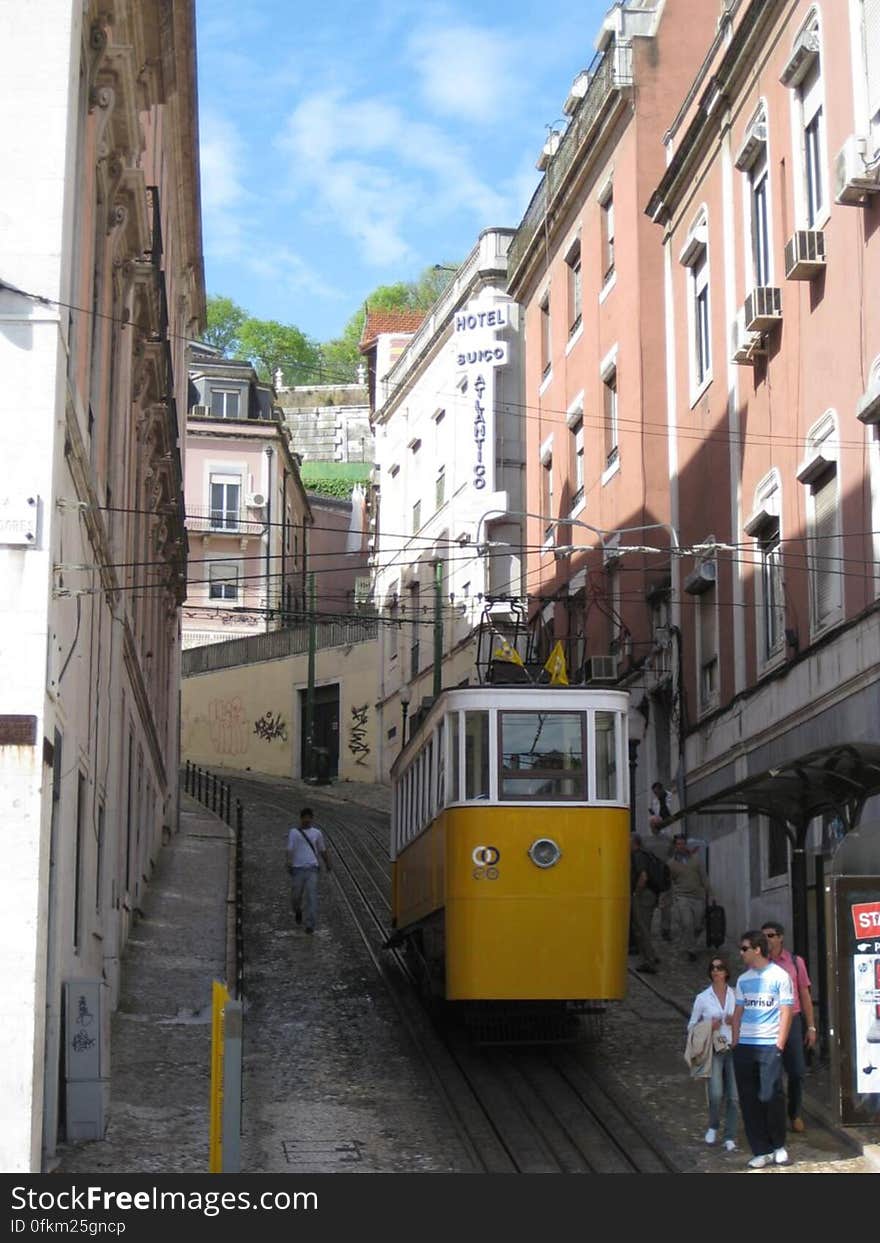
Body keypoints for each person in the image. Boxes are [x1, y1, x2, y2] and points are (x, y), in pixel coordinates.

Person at [731, 930, 794, 1169]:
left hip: (769, 1045)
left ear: (757, 949)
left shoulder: (780, 976)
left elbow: (786, 1010)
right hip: (745, 1046)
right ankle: (760, 1149)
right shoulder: (743, 980)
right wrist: (736, 1041)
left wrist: (779, 1042)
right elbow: (738, 1013)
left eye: (744, 948)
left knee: (771, 1095)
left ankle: (778, 1145)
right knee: (749, 1100)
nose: (741, 953)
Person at [760, 920, 817, 1134]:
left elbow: (804, 995)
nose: (767, 939)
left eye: (771, 935)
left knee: (797, 1072)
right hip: (769, 1022)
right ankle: (775, 1117)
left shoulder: (795, 962)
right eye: (764, 935)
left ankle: (795, 1113)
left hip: (792, 1021)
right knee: (771, 1073)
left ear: (781, 937)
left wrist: (810, 1027)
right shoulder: (758, 963)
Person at [688, 957, 739, 1151]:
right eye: (713, 968)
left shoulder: (735, 994)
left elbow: (745, 1019)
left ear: (726, 972)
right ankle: (713, 1125)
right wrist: (709, 1025)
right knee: (716, 1093)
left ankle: (730, 1135)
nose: (716, 971)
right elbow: (691, 1025)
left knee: (734, 1096)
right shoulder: (703, 998)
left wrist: (735, 1019)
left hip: (734, 1048)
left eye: (720, 968)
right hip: (715, 1050)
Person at [286, 807, 332, 934]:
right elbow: (289, 849)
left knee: (312, 896)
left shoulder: (317, 833)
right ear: (301, 818)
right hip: (297, 869)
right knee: (295, 897)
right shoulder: (293, 832)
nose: (306, 820)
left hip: (312, 868)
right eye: (304, 817)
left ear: (312, 819)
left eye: (309, 817)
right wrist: (288, 861)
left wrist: (328, 863)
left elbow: (322, 849)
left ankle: (310, 924)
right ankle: (298, 910)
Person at [668, 833, 710, 961]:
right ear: (675, 846)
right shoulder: (671, 863)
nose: (680, 846)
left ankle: (691, 941)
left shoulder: (696, 859)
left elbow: (704, 877)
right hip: (682, 897)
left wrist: (711, 894)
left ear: (686, 844)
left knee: (698, 925)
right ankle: (691, 949)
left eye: (682, 843)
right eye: (678, 844)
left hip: (698, 896)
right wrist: (670, 897)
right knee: (687, 923)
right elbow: (670, 881)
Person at [642, 815, 674, 942]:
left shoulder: (668, 840)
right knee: (648, 905)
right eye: (653, 824)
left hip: (665, 875)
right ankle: (647, 930)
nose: (655, 826)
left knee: (666, 906)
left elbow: (671, 855)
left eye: (657, 823)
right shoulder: (645, 840)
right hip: (651, 877)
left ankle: (665, 930)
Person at [630, 833, 659, 974]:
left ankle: (650, 961)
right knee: (642, 928)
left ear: (633, 842)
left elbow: (643, 876)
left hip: (643, 895)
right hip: (648, 895)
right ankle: (650, 957)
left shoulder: (638, 855)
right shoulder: (645, 854)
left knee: (642, 929)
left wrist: (636, 893)